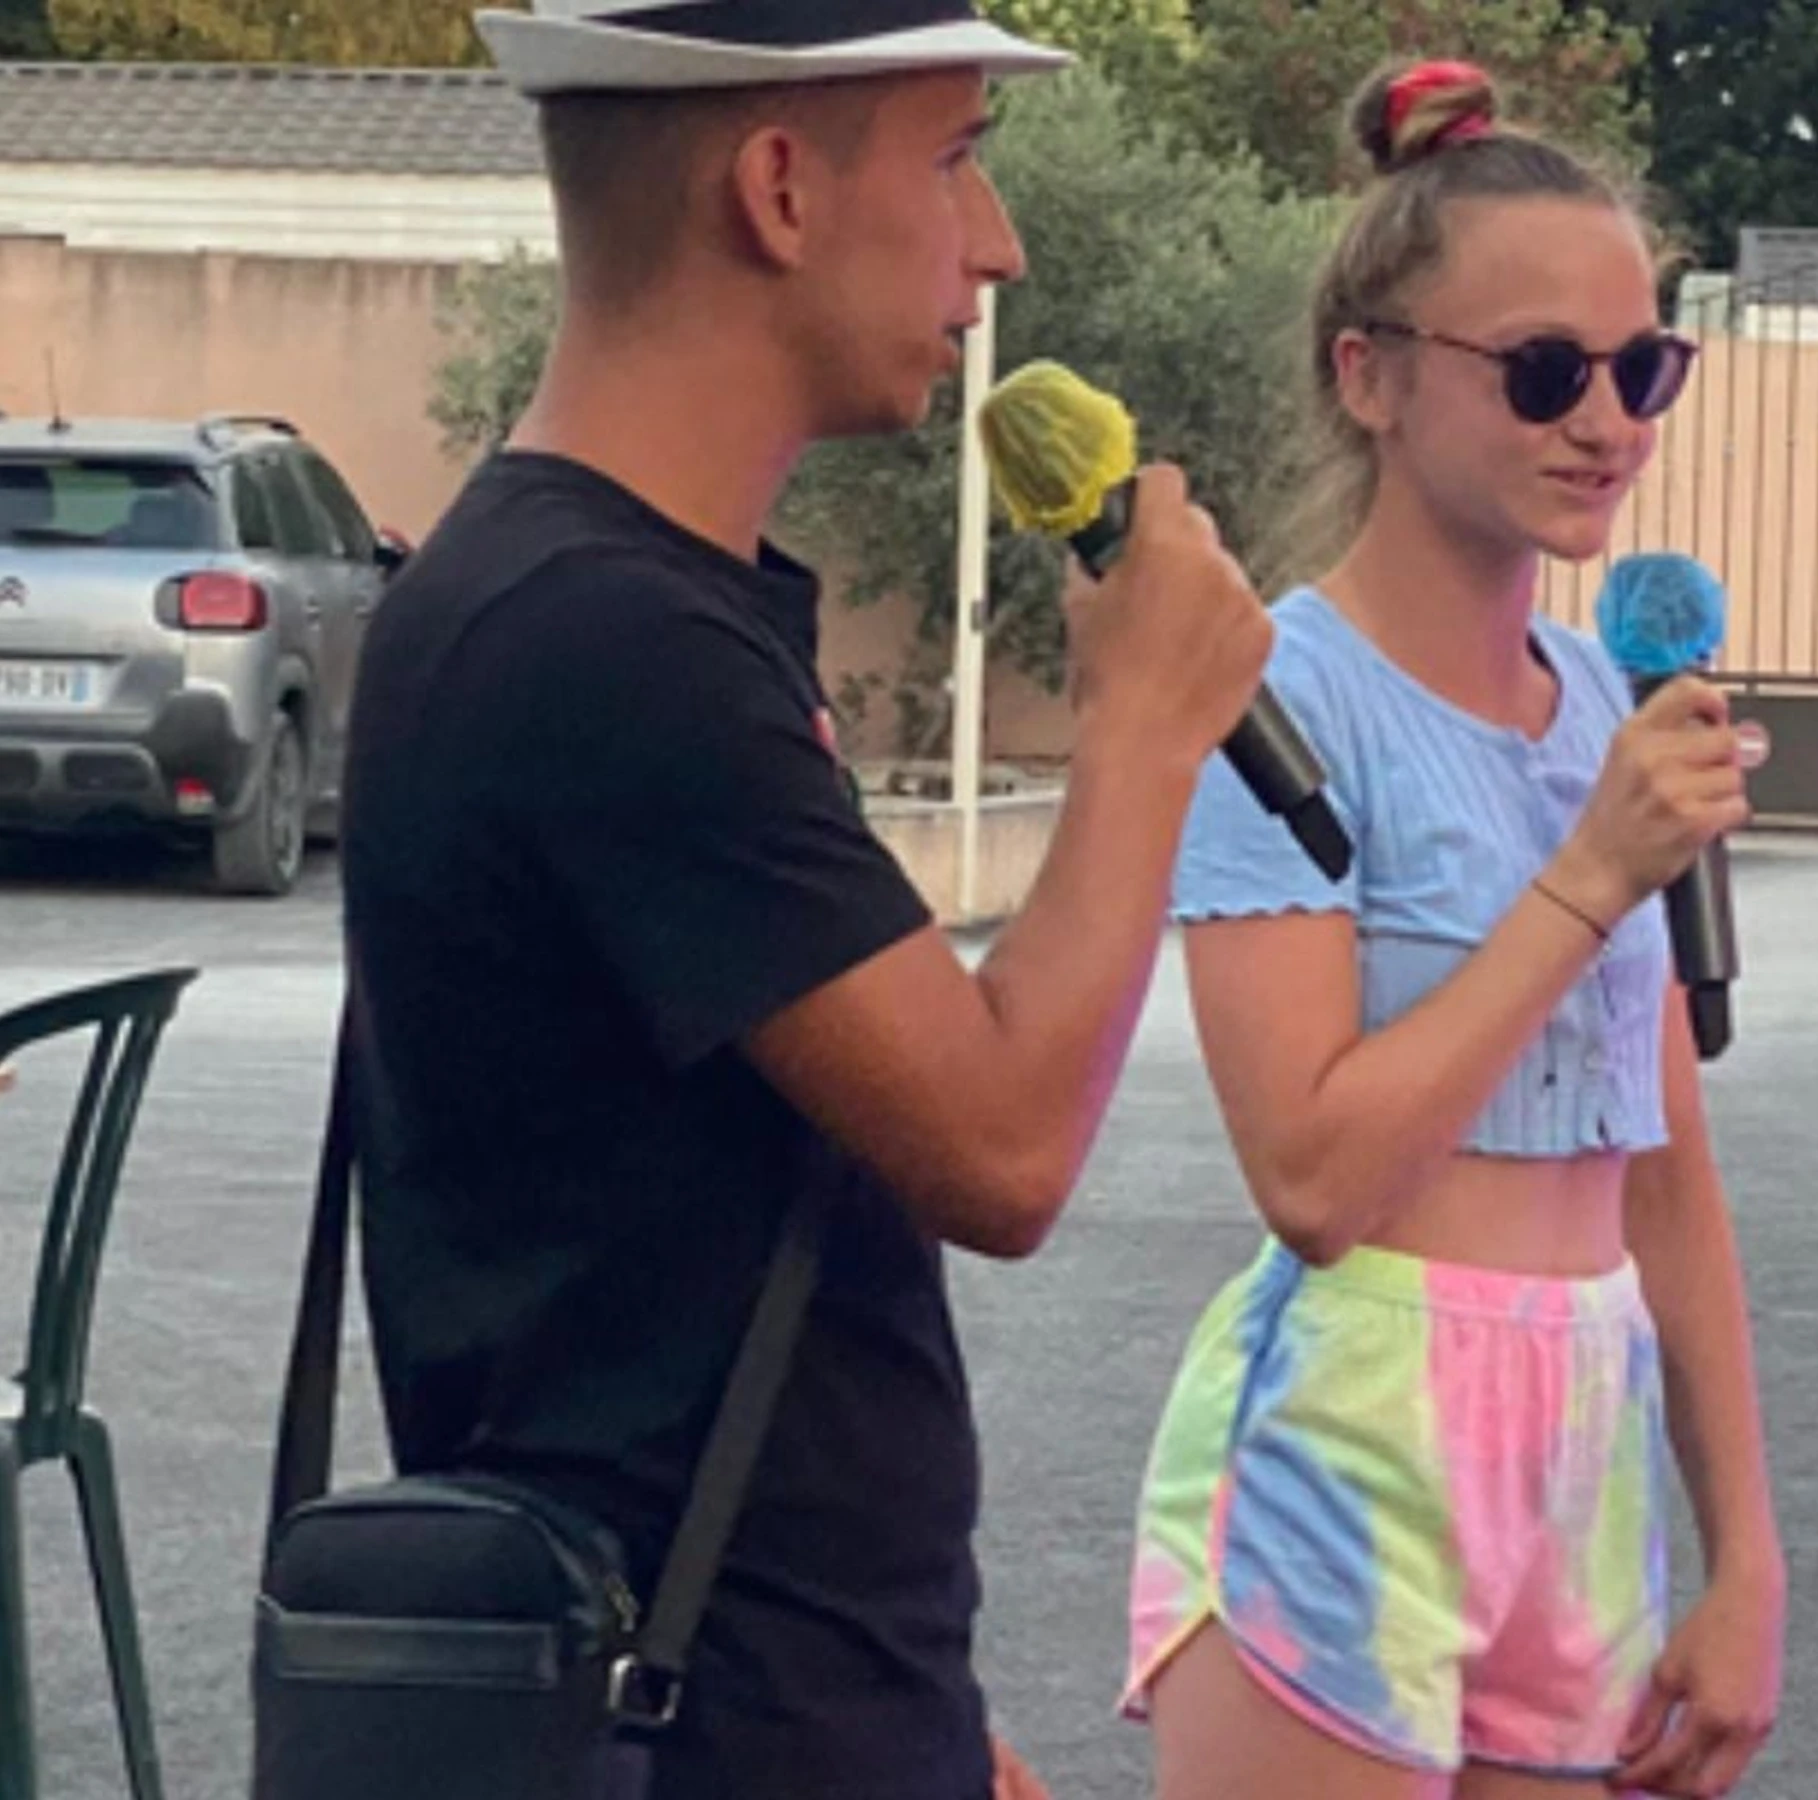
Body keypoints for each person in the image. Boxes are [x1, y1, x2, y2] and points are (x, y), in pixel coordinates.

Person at [338, 2, 1271, 1796]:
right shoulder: (609, 641)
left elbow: (664, 1244)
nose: (998, 245)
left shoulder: (577, 601)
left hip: (751, 1693)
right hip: (712, 1729)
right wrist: (1145, 728)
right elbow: (1001, 1146)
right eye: (957, 159)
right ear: (776, 188)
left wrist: (912, 1714)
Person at [1120, 60, 1786, 1800]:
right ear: (1374, 377)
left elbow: (1666, 1172)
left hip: (1587, 1438)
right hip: (1354, 1440)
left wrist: (1748, 1558)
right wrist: (1589, 880)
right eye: (1547, 370)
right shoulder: (1277, 703)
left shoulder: (1609, 706)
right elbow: (1315, 1177)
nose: (1608, 423)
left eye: (1643, 369)